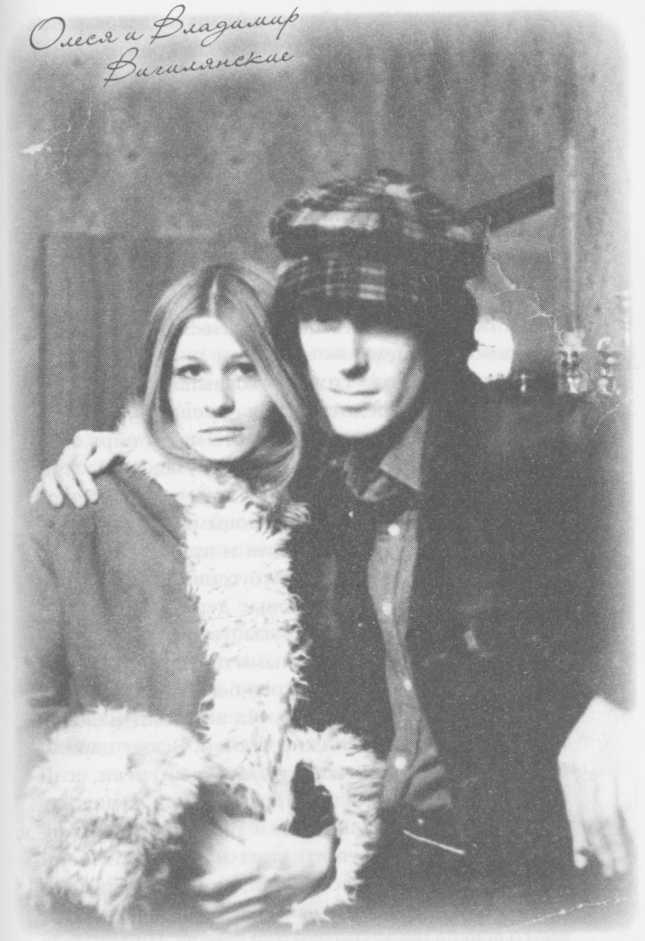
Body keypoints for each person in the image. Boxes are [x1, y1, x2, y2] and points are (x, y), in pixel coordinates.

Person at [34, 171, 634, 928]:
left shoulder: (541, 453)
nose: (346, 360)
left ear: (438, 334)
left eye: (380, 324)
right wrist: (114, 452)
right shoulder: (300, 486)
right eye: (321, 322)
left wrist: (620, 700)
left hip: (544, 895)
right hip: (380, 889)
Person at [17, 261, 384, 934]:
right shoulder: (78, 508)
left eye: (245, 369)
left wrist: (321, 854)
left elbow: (375, 728)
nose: (216, 400)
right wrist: (179, 828)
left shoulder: (332, 517)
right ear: (160, 382)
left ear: (285, 375)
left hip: (295, 906)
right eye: (190, 371)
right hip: (127, 903)